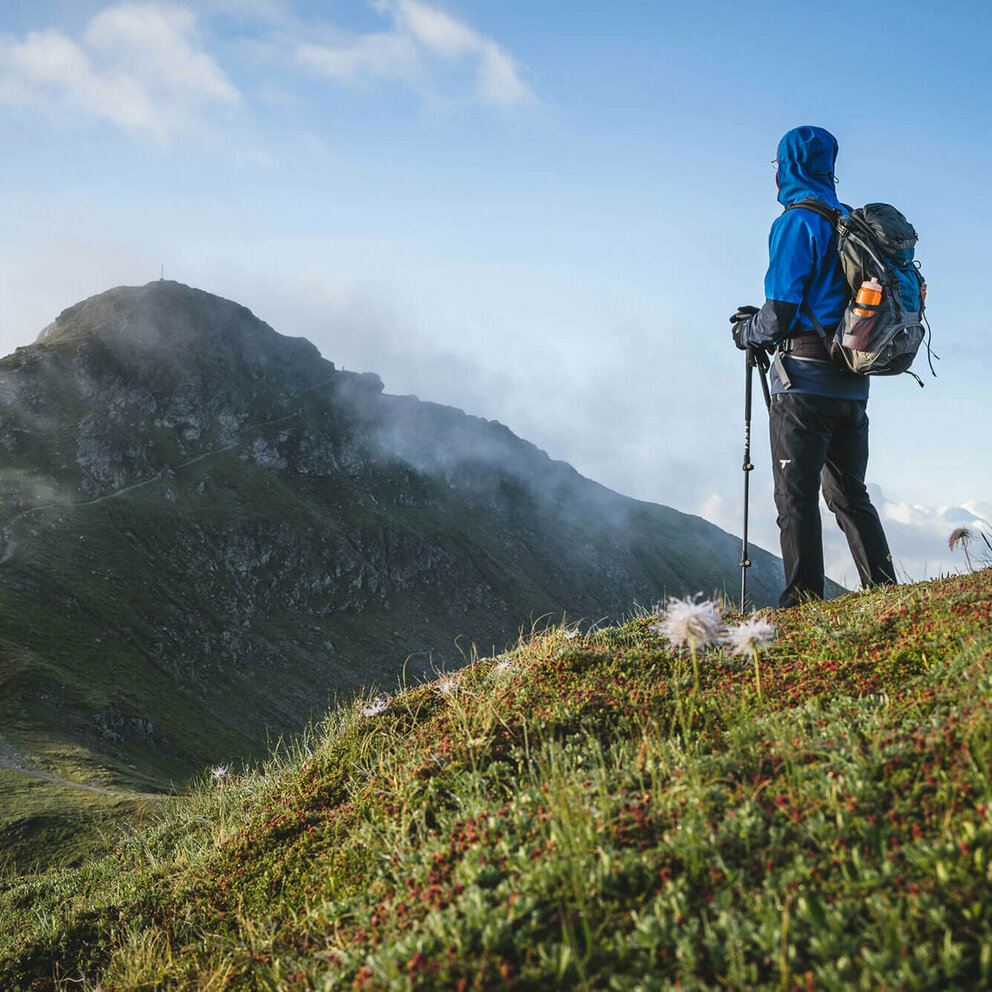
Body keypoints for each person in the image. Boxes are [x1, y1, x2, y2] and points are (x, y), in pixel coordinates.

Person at [729, 125, 896, 609]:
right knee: (850, 494)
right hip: (853, 382)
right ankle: (884, 591)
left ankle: (802, 602)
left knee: (795, 498)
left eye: (778, 164)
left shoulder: (796, 222)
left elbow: (779, 312)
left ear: (788, 166)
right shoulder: (852, 222)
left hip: (803, 385)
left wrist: (746, 332)